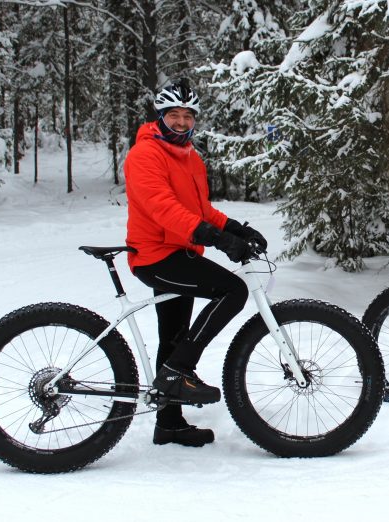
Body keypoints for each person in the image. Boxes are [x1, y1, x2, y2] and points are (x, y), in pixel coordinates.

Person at [124, 79, 267, 447]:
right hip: (156, 255)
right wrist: (217, 239)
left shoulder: (190, 157)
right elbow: (162, 209)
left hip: (180, 253)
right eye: (174, 115)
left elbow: (199, 210)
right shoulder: (145, 154)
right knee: (232, 290)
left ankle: (168, 422)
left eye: (188, 116)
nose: (182, 123)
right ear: (160, 117)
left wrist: (235, 228)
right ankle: (178, 370)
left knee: (172, 337)